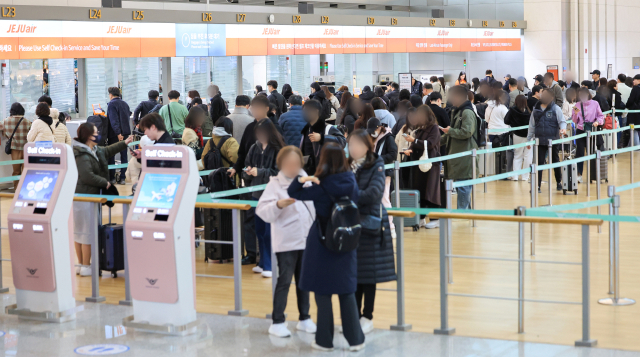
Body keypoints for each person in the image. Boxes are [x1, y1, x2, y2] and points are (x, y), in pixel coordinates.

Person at [287, 143, 365, 352]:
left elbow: (294, 192)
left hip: (322, 242)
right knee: (346, 292)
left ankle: (324, 340)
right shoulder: (351, 181)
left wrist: (302, 179)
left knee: (323, 293)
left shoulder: (320, 186)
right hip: (346, 239)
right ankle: (355, 339)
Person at [256, 146, 317, 337]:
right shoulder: (274, 184)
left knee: (304, 281)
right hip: (286, 241)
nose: (293, 167)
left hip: (305, 238)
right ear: (281, 164)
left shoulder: (305, 181)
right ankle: (277, 321)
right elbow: (262, 210)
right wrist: (278, 205)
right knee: (284, 280)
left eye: (296, 163)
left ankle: (305, 318)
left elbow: (313, 208)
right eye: (289, 163)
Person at [344, 129, 397, 334]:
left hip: (371, 225)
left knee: (369, 275)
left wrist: (348, 195)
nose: (353, 148)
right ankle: (354, 316)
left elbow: (375, 193)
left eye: (357, 144)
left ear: (367, 146)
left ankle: (368, 316)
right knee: (354, 274)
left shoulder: (376, 163)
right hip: (351, 224)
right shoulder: (348, 165)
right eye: (350, 145)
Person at [73, 122, 133, 276]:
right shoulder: (81, 154)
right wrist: (105, 183)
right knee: (85, 232)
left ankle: (82, 264)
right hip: (84, 198)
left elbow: (108, 150)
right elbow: (87, 176)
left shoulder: (93, 150)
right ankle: (85, 265)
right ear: (88, 136)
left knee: (81, 232)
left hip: (89, 197)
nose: (98, 133)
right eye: (95, 132)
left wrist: (124, 143)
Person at [244, 119, 284, 278]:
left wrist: (259, 172)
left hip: (272, 195)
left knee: (269, 232)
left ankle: (270, 264)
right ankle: (262, 263)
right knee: (259, 230)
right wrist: (248, 171)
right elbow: (247, 163)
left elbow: (278, 172)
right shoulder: (254, 148)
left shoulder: (278, 149)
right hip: (256, 195)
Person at [402, 105, 442, 227]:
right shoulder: (420, 129)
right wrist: (409, 149)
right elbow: (415, 144)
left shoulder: (434, 128)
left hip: (430, 166)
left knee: (431, 192)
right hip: (419, 166)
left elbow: (430, 144)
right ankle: (421, 218)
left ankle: (435, 219)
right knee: (421, 192)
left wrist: (413, 141)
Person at [441, 86, 477, 209]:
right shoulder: (456, 111)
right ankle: (465, 210)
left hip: (464, 155)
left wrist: (450, 131)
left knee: (463, 185)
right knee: (462, 184)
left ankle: (463, 211)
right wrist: (433, 142)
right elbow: (451, 134)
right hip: (457, 154)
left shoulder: (467, 112)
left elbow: (467, 132)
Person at [527, 89, 567, 191]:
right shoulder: (535, 109)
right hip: (539, 140)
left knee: (555, 161)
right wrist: (528, 139)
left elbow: (562, 121)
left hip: (553, 140)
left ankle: (559, 181)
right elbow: (532, 126)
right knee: (539, 163)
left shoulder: (555, 108)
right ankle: (538, 185)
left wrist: (563, 128)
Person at [366, 118, 398, 237]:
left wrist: (376, 159)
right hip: (373, 171)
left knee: (384, 199)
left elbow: (393, 154)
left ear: (379, 127)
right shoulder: (372, 137)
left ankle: (391, 227)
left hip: (384, 172)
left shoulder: (388, 137)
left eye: (373, 130)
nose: (371, 133)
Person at [299, 99, 346, 174]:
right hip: (308, 171)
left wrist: (322, 138)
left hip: (323, 172)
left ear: (316, 111)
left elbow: (342, 141)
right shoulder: (306, 129)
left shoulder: (328, 128)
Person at [571, 87, 604, 181]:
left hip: (592, 130)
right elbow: (574, 120)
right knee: (580, 152)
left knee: (592, 152)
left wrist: (597, 122)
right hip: (581, 130)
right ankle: (579, 174)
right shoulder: (577, 105)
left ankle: (593, 175)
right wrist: (576, 114)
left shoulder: (595, 103)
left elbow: (600, 116)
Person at [1, 103, 30, 188]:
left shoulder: (5, 121)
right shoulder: (27, 121)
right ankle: (25, 188)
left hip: (15, 148)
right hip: (26, 148)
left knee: (16, 171)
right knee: (26, 170)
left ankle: (17, 189)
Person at [504, 95, 532, 181]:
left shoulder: (512, 110)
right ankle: (525, 176)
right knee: (528, 156)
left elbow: (506, 120)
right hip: (528, 136)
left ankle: (515, 176)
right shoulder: (529, 111)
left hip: (517, 135)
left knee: (517, 155)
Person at [626, 74, 640, 146]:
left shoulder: (635, 89)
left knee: (633, 129)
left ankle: (636, 147)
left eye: (635, 80)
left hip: (634, 112)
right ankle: (630, 146)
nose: (633, 81)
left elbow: (631, 100)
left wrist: (627, 106)